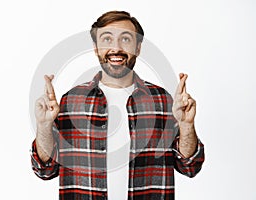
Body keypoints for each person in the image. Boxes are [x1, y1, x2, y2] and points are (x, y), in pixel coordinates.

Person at [31, 11, 205, 200]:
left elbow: (190, 167)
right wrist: (43, 126)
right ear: (96, 48)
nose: (116, 48)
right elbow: (45, 169)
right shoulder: (70, 102)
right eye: (106, 39)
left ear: (138, 48)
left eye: (126, 39)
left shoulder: (163, 101)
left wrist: (187, 126)